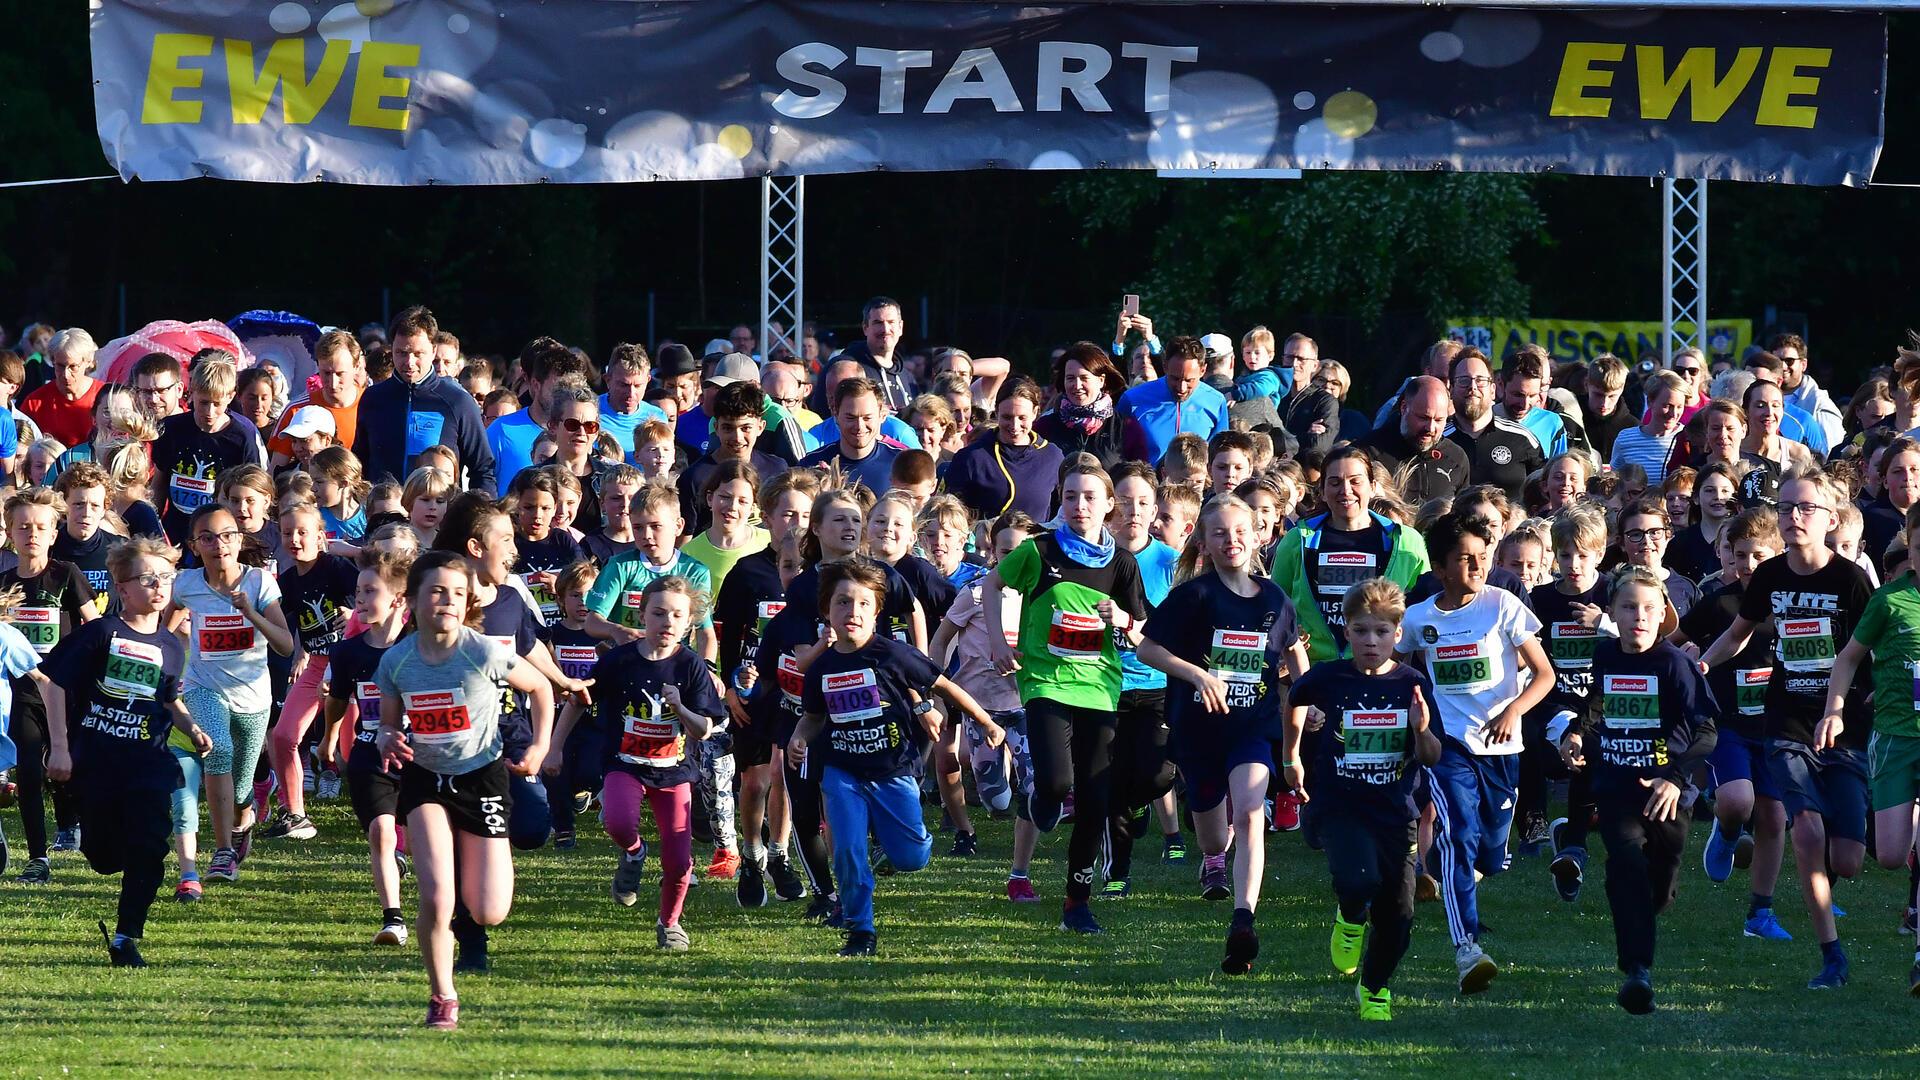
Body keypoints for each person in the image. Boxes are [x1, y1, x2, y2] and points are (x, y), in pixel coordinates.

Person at [1699, 470, 1874, 990]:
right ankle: (1831, 957)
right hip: (1787, 722)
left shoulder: (1850, 581)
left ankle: (1822, 881)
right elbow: (1737, 633)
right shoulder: (1772, 575)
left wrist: (1853, 703)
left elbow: (1871, 654)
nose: (1793, 517)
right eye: (1786, 508)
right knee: (1806, 831)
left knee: (1849, 859)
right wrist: (1704, 665)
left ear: (1830, 520)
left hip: (1844, 726)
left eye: (1805, 509)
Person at [373, 551, 555, 1029]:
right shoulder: (397, 661)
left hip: (483, 778)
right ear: (411, 600)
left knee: (490, 909)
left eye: (457, 593)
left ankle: (463, 897)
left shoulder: (483, 652)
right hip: (426, 779)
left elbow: (540, 688)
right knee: (435, 895)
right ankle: (442, 997)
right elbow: (388, 728)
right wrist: (387, 737)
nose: (448, 601)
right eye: (436, 591)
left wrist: (539, 746)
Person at [787, 557, 1003, 956]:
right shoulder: (821, 668)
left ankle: (902, 842)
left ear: (877, 611)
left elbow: (946, 686)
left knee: (910, 858)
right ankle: (860, 930)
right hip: (841, 771)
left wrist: (986, 721)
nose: (852, 612)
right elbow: (812, 717)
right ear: (826, 612)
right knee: (849, 851)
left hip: (893, 770)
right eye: (842, 603)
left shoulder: (892, 654)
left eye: (863, 604)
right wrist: (798, 740)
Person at [1139, 494, 1308, 972]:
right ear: (1205, 542)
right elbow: (1149, 649)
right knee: (1215, 837)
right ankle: (1214, 857)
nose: (1231, 540)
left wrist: (1308, 695)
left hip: (1251, 725)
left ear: (1257, 536)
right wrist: (1197, 675)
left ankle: (1243, 919)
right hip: (1198, 731)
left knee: (1253, 812)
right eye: (1219, 533)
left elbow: (1295, 654)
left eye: (1240, 531)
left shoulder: (1275, 598)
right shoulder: (1195, 595)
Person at [984, 461, 1147, 935]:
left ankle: (1077, 903)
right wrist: (998, 641)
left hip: (1099, 685)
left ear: (1108, 505)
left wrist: (1120, 618)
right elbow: (993, 583)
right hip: (1046, 681)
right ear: (1060, 499)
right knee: (1056, 782)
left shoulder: (1122, 562)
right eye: (1071, 496)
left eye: (1090, 497)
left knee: (1095, 800)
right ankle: (1045, 799)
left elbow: (1138, 631)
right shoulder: (1039, 550)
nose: (1080, 506)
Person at [1397, 510, 1552, 994]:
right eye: (1465, 559)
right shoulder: (1419, 618)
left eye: (1483, 557)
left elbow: (1544, 675)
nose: (1477, 566)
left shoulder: (1503, 606)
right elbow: (1396, 664)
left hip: (1503, 748)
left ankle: (1441, 872)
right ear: (1439, 568)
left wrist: (1514, 712)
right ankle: (1466, 948)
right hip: (1449, 747)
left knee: (1491, 850)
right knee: (1460, 833)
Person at [1560, 566, 1717, 1014]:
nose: (1639, 617)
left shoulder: (1675, 664)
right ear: (1611, 611)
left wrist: (1675, 778)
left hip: (1669, 793)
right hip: (1617, 785)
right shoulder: (1607, 656)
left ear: (1664, 613)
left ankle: (1643, 912)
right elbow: (1596, 703)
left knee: (1658, 889)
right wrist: (1575, 733)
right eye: (1628, 607)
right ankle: (1637, 972)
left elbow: (1706, 731)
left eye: (1649, 608)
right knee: (1625, 865)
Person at [43, 536, 205, 967]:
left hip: (148, 761)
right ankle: (104, 852)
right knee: (103, 856)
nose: (159, 586)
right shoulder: (100, 634)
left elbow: (167, 695)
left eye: (166, 577)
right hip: (96, 760)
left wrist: (190, 726)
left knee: (150, 847)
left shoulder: (171, 646)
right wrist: (59, 748)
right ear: (121, 586)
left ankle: (125, 937)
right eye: (148, 578)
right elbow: (56, 684)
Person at [1284, 578, 1441, 1021]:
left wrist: (1420, 729)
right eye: (1360, 631)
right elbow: (1294, 700)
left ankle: (1373, 987)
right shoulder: (1330, 678)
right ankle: (1350, 915)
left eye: (1382, 632)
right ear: (1347, 630)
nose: (1371, 641)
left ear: (1397, 632)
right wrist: (1291, 757)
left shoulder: (1412, 684)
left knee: (1400, 913)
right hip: (1341, 804)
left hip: (1396, 812)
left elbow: (1431, 756)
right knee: (1358, 880)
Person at [557, 575, 724, 951]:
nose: (667, 622)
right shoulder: (620, 661)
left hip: (673, 773)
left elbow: (703, 730)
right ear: (642, 615)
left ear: (688, 623)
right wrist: (554, 748)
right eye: (658, 613)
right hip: (625, 765)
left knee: (680, 858)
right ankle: (634, 853)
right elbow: (578, 701)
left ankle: (670, 924)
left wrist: (680, 707)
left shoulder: (692, 666)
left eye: (677, 615)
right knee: (616, 821)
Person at [1820, 503, 1920, 992]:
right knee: (1890, 853)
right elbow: (1848, 659)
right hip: (1895, 737)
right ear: (1910, 548)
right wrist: (1835, 709)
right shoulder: (1890, 600)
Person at [168, 503, 295, 884]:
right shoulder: (186, 584)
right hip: (203, 685)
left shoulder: (259, 583)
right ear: (195, 544)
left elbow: (286, 646)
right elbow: (164, 626)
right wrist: (173, 648)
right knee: (217, 749)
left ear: (239, 540)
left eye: (226, 535)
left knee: (241, 788)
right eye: (207, 537)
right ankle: (222, 852)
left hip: (253, 697)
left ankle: (245, 814)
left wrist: (250, 613)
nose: (218, 544)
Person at [1677, 509, 1788, 937]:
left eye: (1758, 555)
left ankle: (1760, 913)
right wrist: (1689, 655)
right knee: (1739, 803)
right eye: (1740, 555)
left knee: (1774, 816)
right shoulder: (1719, 603)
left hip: (1779, 726)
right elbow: (1674, 640)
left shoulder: (1789, 603)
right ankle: (1724, 834)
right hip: (1728, 724)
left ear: (1778, 554)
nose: (1748, 565)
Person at [711, 470, 818, 906]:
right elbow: (727, 635)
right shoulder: (747, 571)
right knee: (754, 781)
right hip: (753, 691)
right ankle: (752, 854)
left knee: (783, 774)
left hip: (795, 692)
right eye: (787, 513)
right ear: (768, 516)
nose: (795, 522)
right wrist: (732, 688)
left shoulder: (816, 573)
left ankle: (780, 854)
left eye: (805, 514)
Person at [1, 487, 95, 884]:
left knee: (65, 764)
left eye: (41, 527)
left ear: (55, 533)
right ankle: (37, 857)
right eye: (23, 527)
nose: (32, 534)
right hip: (21, 692)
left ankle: (69, 822)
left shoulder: (65, 574)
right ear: (9, 533)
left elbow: (93, 626)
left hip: (65, 688)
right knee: (28, 769)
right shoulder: (3, 583)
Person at [322, 550, 414, 945]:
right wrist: (328, 739)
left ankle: (445, 909)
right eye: (358, 591)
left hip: (420, 756)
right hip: (368, 753)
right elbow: (338, 700)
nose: (359, 599)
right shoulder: (348, 652)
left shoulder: (422, 646)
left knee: (425, 839)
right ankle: (393, 918)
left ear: (398, 599)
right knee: (380, 832)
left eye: (370, 591)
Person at [261, 502, 360, 839]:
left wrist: (354, 615)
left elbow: (368, 605)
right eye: (288, 533)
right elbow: (276, 622)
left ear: (321, 536)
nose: (295, 539)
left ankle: (388, 816)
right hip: (317, 666)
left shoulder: (337, 568)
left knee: (352, 750)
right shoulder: (287, 582)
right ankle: (295, 814)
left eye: (303, 532)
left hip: (351, 668)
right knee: (283, 735)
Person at [1519, 505, 1610, 872]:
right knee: (1578, 743)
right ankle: (1557, 834)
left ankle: (1573, 834)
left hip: (1607, 699)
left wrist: (1603, 622)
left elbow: (1649, 634)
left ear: (1600, 555)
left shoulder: (1612, 590)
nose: (1573, 563)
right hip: (1555, 701)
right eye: (1566, 554)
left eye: (1583, 555)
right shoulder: (1541, 599)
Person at [355, 307, 495, 491]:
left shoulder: (457, 401)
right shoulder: (373, 398)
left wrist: (478, 515)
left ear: (433, 349)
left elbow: (483, 468)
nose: (409, 362)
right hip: (385, 513)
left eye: (417, 354)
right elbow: (359, 465)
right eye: (401, 353)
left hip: (439, 512)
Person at [150, 353, 265, 545]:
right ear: (192, 391)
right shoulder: (170, 428)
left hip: (220, 537)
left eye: (217, 404)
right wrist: (152, 529)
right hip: (176, 532)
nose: (209, 412)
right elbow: (159, 484)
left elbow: (252, 492)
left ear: (230, 396)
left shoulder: (243, 436)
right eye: (203, 402)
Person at [946, 377, 1064, 523]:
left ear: (1035, 412)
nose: (1014, 426)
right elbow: (952, 516)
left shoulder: (1052, 456)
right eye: (1007, 417)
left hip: (1035, 544)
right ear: (996, 411)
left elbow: (1060, 514)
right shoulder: (971, 457)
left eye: (1022, 418)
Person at [678, 381, 786, 537]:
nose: (737, 437)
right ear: (716, 428)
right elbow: (685, 542)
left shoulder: (777, 469)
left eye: (746, 428)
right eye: (728, 428)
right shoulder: (694, 478)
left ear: (760, 427)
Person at [1445, 348, 1543, 504]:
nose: (1473, 387)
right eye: (1464, 380)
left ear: (1493, 389)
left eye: (1480, 380)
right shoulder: (1438, 440)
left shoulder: (1523, 439)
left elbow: (1543, 496)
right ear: (1450, 389)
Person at [1354, 376, 1471, 505]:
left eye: (1439, 420)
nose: (1430, 428)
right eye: (1423, 418)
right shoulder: (1367, 454)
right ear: (1404, 407)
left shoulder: (1455, 458)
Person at [1033, 342, 1149, 470]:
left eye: (1084, 378)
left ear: (1101, 380)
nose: (1077, 386)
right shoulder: (1045, 427)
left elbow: (1141, 476)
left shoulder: (1125, 427)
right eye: (1070, 378)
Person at [1115, 336, 1228, 465]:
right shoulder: (1132, 399)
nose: (1181, 387)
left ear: (1203, 370)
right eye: (1175, 378)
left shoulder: (1216, 401)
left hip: (1197, 484)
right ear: (1165, 367)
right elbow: (1117, 454)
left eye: (1189, 380)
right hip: (1147, 482)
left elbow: (1219, 456)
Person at [799, 377, 902, 495]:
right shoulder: (810, 466)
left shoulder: (900, 463)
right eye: (851, 418)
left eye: (867, 418)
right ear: (835, 414)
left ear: (882, 416)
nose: (859, 426)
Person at [19, 329, 101, 450]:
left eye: (73, 367)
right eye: (60, 366)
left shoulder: (106, 396)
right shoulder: (34, 404)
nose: (65, 374)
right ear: (52, 361)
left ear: (88, 362)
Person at [1609, 371, 1687, 488]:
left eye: (1679, 407)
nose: (1674, 413)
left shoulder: (1687, 438)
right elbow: (1615, 481)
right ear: (1650, 402)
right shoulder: (1625, 439)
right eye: (1667, 406)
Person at [1770, 333, 1846, 451]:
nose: (1783, 367)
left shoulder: (1820, 405)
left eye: (1789, 361)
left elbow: (1830, 453)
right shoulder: (1758, 397)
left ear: (1803, 364)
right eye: (1777, 361)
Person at [597, 343, 670, 459]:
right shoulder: (590, 413)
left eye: (637, 385)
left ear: (648, 380)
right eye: (624, 385)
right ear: (607, 380)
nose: (631, 393)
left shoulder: (657, 417)